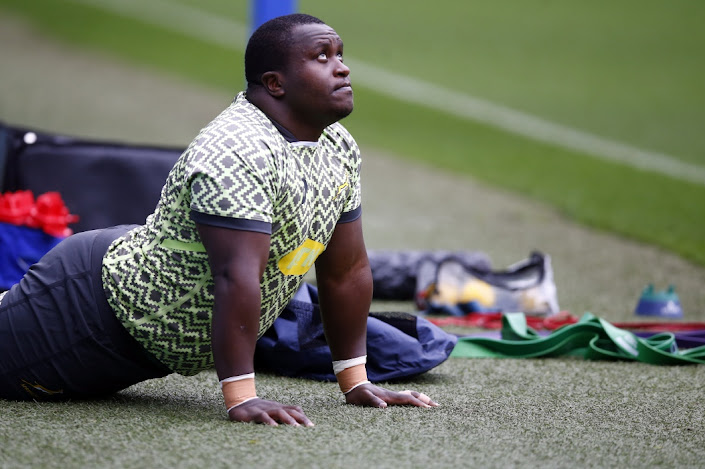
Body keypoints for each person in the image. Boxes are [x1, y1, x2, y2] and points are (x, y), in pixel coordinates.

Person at [0, 13, 437, 426]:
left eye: (340, 54)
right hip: (87, 310)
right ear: (274, 83)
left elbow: (345, 270)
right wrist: (242, 397)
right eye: (322, 56)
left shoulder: (338, 146)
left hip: (133, 337)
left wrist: (355, 380)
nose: (342, 68)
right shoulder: (236, 150)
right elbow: (235, 275)